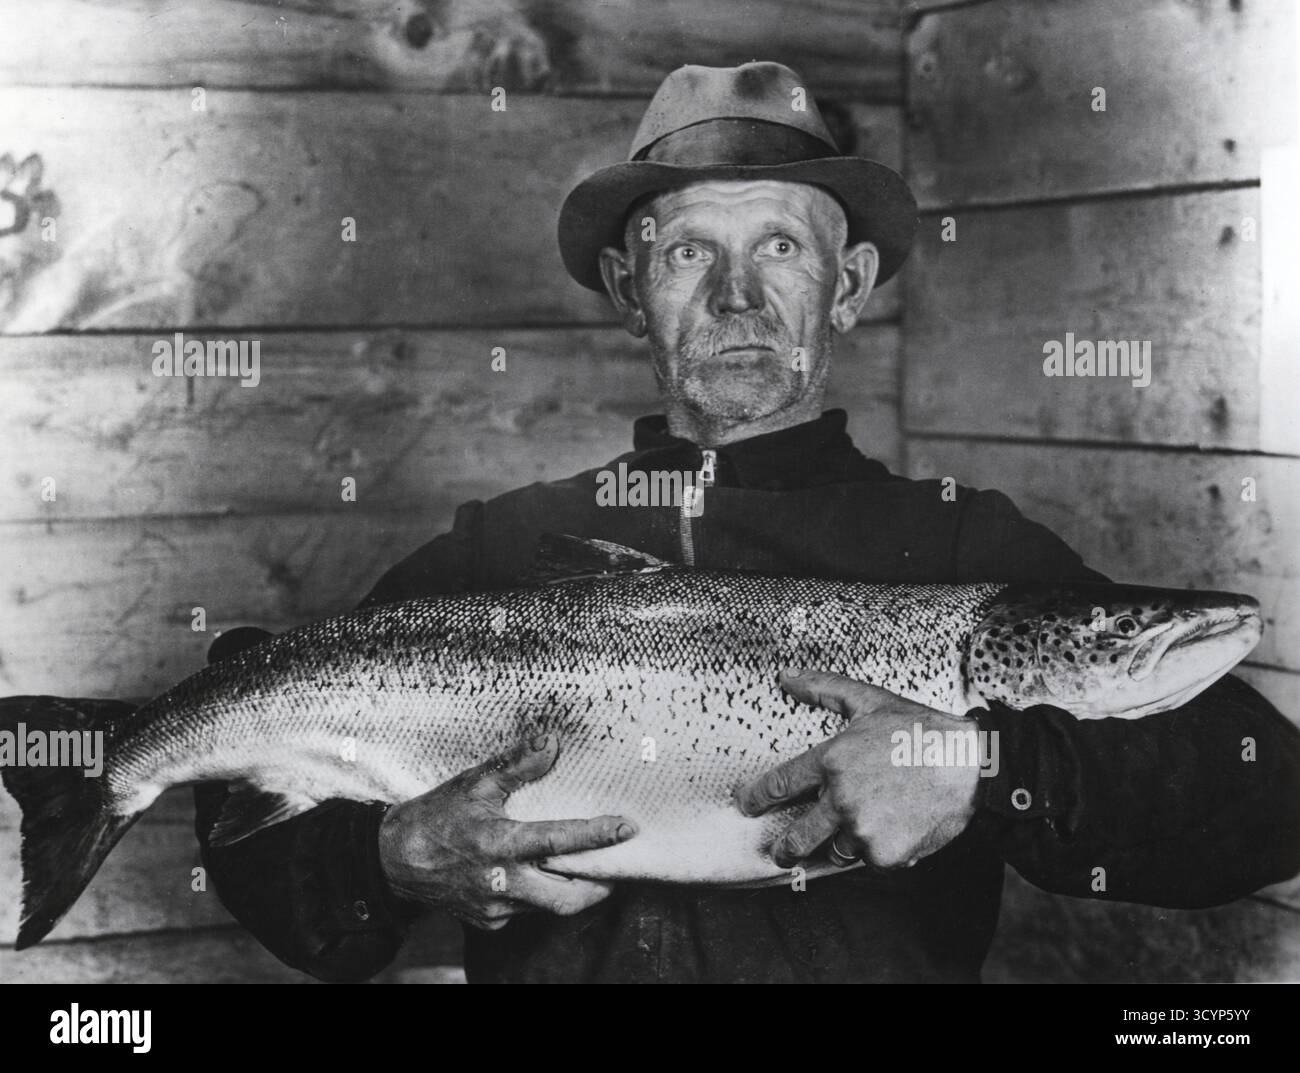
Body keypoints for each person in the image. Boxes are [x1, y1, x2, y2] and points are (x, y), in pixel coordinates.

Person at [195, 62, 1300, 984]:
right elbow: (245, 808)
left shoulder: (964, 546)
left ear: (848, 284)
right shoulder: (501, 546)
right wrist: (391, 851)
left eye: (779, 245)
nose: (736, 296)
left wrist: (978, 763)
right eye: (688, 253)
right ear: (633, 291)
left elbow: (1263, 797)